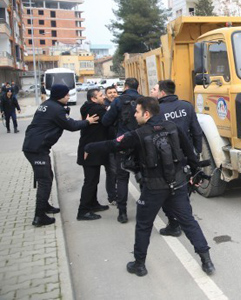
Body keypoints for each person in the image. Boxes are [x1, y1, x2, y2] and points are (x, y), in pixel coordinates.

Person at [84, 96, 215, 277]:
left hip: (153, 188)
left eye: (137, 112)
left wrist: (89, 146)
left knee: (144, 225)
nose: (134, 115)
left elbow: (113, 145)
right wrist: (194, 172)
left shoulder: (138, 134)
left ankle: (139, 265)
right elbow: (190, 152)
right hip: (178, 184)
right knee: (188, 222)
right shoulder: (173, 127)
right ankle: (207, 261)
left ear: (146, 114)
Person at [22, 84, 99, 227]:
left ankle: (45, 206)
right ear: (60, 96)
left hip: (35, 146)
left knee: (48, 177)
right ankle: (39, 217)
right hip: (37, 149)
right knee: (44, 181)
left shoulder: (48, 104)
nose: (69, 96)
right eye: (67, 95)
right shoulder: (56, 109)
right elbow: (72, 126)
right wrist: (87, 121)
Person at [155, 80, 203, 237]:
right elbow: (196, 131)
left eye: (155, 90)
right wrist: (197, 152)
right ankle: (185, 218)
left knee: (167, 191)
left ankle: (174, 223)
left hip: (166, 157)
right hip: (186, 154)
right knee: (184, 188)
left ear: (162, 93)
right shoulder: (186, 106)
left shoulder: (157, 109)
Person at [101, 77, 141, 223]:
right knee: (145, 175)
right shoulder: (144, 100)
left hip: (123, 143)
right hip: (141, 142)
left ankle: (122, 213)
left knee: (122, 178)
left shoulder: (118, 101)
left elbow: (105, 121)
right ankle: (146, 208)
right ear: (138, 87)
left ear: (125, 87)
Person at [76, 89, 111, 220]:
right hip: (90, 150)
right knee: (90, 181)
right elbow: (109, 120)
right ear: (93, 99)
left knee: (94, 179)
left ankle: (93, 203)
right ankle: (83, 211)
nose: (104, 97)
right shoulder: (98, 109)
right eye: (101, 95)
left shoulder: (86, 106)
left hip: (90, 147)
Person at [103, 85, 119, 205]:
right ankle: (112, 196)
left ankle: (119, 193)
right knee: (112, 171)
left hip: (120, 142)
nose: (112, 94)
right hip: (109, 142)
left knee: (120, 170)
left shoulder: (120, 105)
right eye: (110, 93)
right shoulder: (103, 107)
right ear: (106, 95)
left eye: (114, 92)